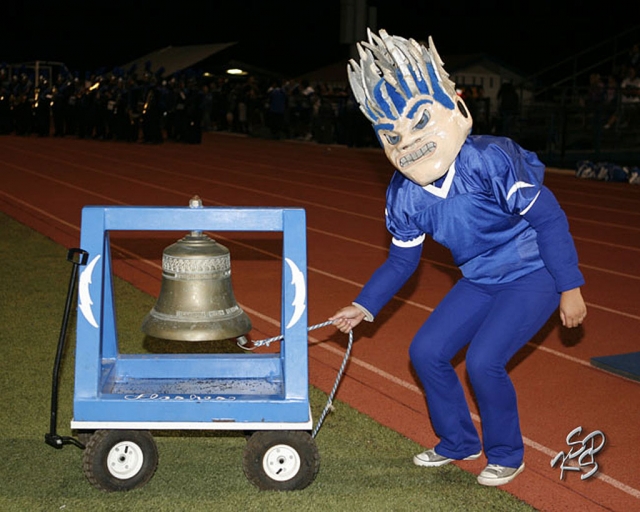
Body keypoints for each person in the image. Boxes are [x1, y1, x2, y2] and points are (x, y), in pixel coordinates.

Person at [330, 29, 586, 487]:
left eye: (417, 121)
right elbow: (402, 262)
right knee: (426, 351)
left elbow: (549, 220)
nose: (406, 139)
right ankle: (459, 441)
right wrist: (363, 305)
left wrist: (569, 286)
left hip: (533, 273)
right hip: (481, 279)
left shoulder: (488, 160)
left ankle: (507, 453)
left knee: (485, 360)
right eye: (393, 132)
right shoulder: (404, 194)